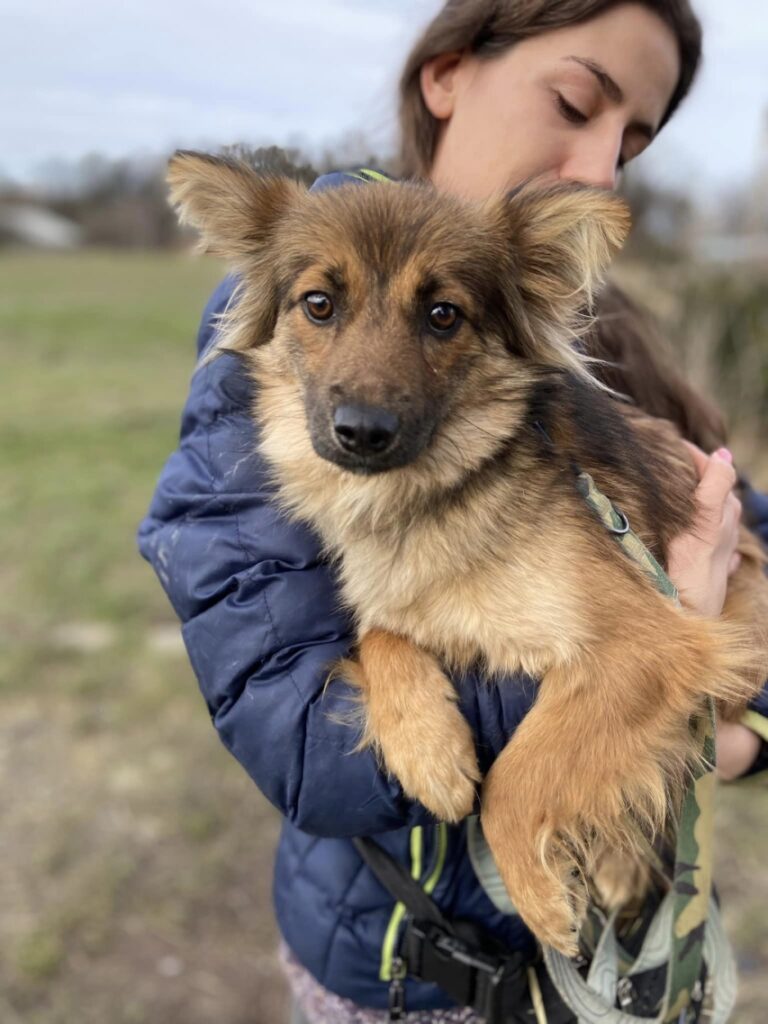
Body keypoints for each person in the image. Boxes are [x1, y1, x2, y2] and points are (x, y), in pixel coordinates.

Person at [138, 1, 768, 1020]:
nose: (601, 167)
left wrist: (734, 731)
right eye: (575, 101)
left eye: (634, 142)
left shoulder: (585, 326)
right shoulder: (280, 318)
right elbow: (289, 721)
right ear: (448, 73)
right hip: (396, 969)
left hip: (618, 962)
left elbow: (732, 556)